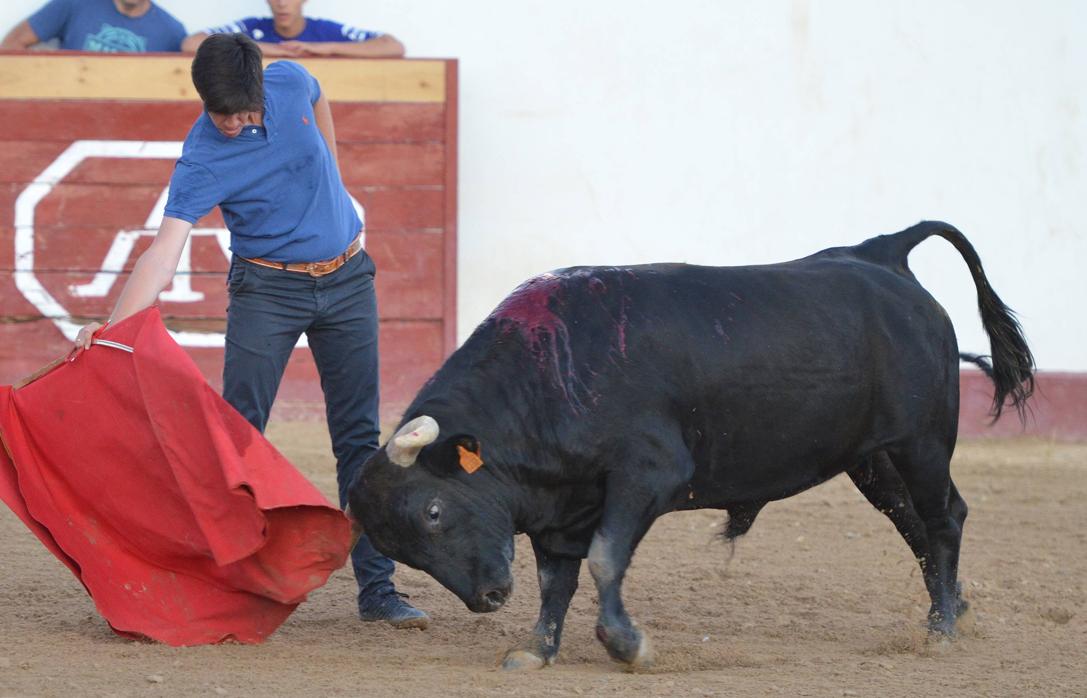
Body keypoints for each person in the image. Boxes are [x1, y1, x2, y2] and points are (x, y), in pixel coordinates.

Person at [74, 33, 428, 630]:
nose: (234, 124)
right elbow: (164, 253)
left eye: (244, 112)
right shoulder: (203, 157)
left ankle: (378, 590)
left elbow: (319, 94)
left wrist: (334, 175)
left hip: (346, 280)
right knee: (238, 436)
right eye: (221, 115)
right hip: (267, 292)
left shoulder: (288, 82)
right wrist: (111, 327)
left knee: (359, 436)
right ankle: (226, 581)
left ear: (262, 90)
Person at [181, 0, 404, 58]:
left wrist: (326, 49)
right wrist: (265, 48)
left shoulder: (325, 31)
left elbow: (393, 46)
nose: (282, 4)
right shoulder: (251, 28)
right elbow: (191, 43)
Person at [0, 0, 185, 52]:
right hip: (65, 115)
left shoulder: (173, 33)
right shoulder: (74, 4)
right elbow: (11, 45)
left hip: (129, 127)